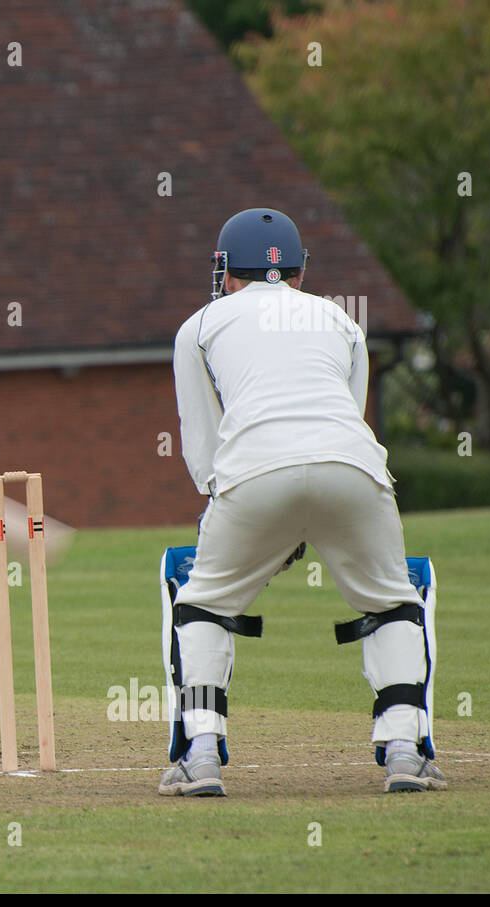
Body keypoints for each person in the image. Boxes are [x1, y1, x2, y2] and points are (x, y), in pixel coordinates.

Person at [159, 207, 445, 796]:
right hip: (355, 468)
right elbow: (349, 417)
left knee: (203, 603)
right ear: (298, 269)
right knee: (393, 602)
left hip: (254, 473)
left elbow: (204, 446)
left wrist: (238, 516)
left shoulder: (200, 325)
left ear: (225, 270)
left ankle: (202, 757)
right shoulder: (340, 319)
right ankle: (403, 753)